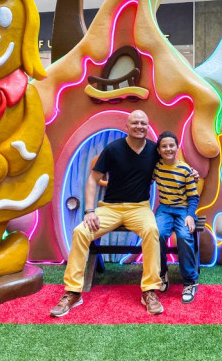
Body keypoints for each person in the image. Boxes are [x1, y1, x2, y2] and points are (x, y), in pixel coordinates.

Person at [50, 110, 164, 317]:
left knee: (151, 231)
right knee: (80, 232)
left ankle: (149, 290)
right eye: (135, 123)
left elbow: (174, 163)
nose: (139, 126)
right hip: (110, 207)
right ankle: (73, 292)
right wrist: (89, 211)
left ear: (148, 127)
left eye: (143, 123)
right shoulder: (113, 149)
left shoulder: (155, 150)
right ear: (127, 126)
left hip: (139, 207)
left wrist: (189, 172)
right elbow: (93, 179)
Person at [153, 131, 200, 303]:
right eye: (164, 146)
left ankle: (189, 281)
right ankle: (162, 272)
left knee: (184, 236)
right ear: (159, 150)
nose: (168, 149)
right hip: (164, 209)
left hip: (183, 209)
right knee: (157, 234)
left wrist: (190, 215)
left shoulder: (185, 169)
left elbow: (194, 197)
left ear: (177, 147)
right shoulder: (157, 167)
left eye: (171, 145)